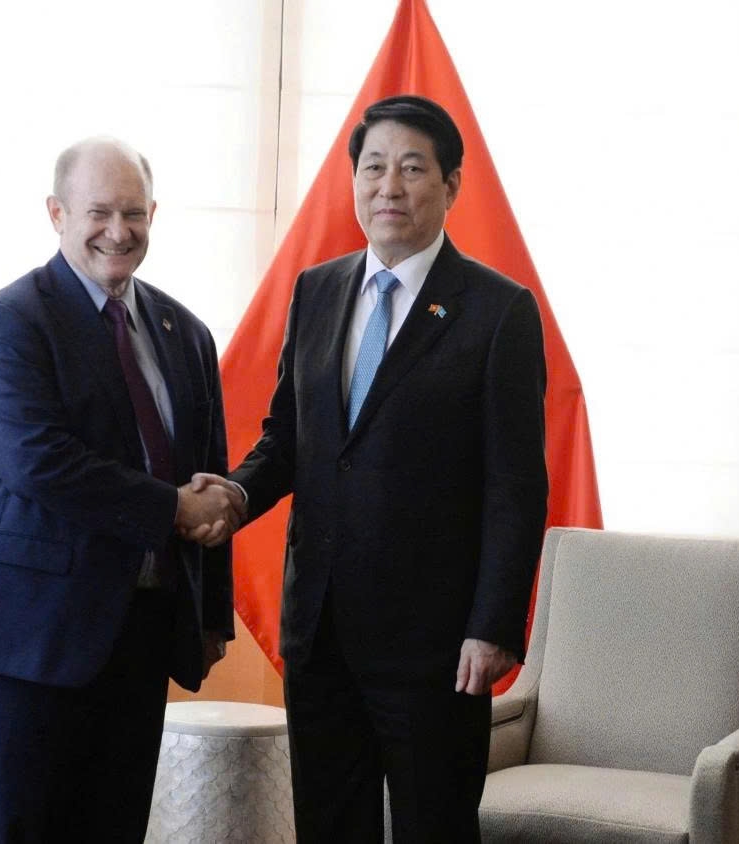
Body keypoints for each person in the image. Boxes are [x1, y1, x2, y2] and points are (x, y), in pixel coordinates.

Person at [197, 95, 549, 841]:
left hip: (436, 645)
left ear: (451, 185)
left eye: (413, 168)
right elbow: (288, 441)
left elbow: (516, 489)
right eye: (373, 167)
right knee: (329, 825)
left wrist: (492, 628)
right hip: (321, 632)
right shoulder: (317, 290)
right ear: (354, 181)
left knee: (434, 827)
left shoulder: (497, 311)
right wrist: (231, 495)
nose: (389, 186)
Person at [0, 137, 242, 843]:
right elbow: (40, 461)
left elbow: (207, 471)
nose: (118, 231)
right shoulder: (9, 322)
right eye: (99, 211)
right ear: (57, 213)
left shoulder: (183, 332)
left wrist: (210, 610)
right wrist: (172, 509)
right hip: (25, 631)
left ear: (154, 213)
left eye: (134, 212)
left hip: (140, 629)